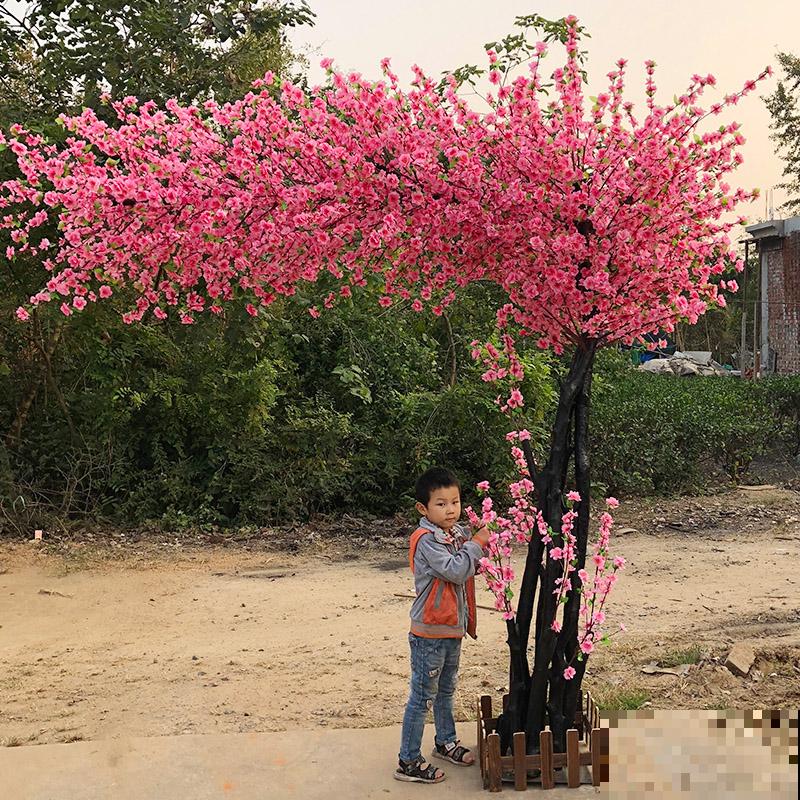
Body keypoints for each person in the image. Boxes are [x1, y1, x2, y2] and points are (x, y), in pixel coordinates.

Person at [394, 467, 490, 784]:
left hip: (451, 629)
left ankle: (445, 741)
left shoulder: (455, 534)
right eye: (441, 503)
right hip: (429, 634)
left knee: (446, 691)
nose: (450, 509)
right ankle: (408, 760)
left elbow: (471, 559)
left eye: (455, 501)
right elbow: (456, 569)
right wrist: (476, 544)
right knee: (422, 697)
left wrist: (479, 542)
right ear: (423, 508)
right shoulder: (425, 541)